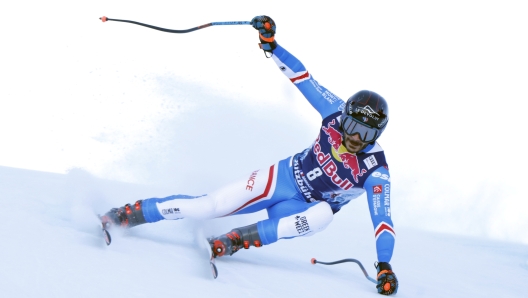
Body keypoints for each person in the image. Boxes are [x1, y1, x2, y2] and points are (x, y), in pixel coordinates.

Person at [100, 15, 398, 295]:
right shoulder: (333, 112)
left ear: (378, 136)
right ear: (344, 116)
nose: (356, 138)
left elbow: (382, 221)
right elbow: (302, 77)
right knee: (207, 206)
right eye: (352, 126)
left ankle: (234, 240)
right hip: (282, 178)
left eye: (368, 134)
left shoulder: (376, 171)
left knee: (322, 216)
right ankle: (128, 214)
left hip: (302, 210)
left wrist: (384, 265)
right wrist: (271, 44)